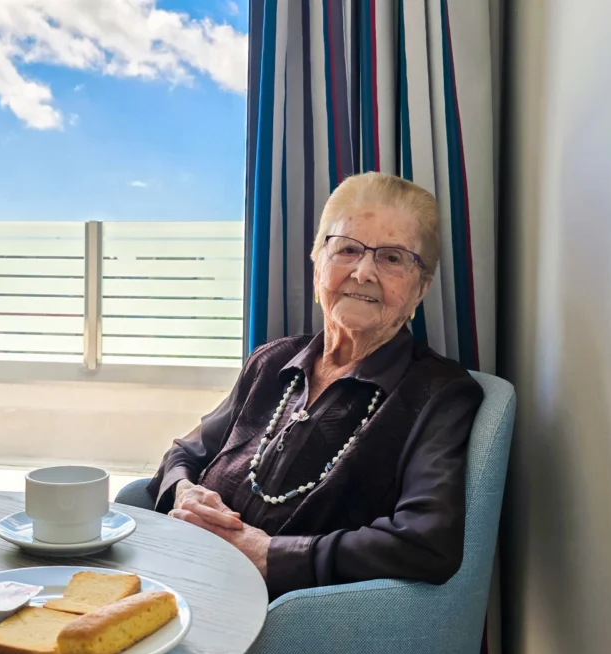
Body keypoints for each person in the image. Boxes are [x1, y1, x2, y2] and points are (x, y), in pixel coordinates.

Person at [146, 172, 484, 599]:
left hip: (271, 617)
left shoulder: (439, 395)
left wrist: (269, 553)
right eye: (347, 249)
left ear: (421, 289)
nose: (362, 273)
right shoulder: (272, 361)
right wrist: (185, 495)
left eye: (393, 258)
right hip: (175, 574)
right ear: (317, 265)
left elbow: (425, 540)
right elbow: (184, 453)